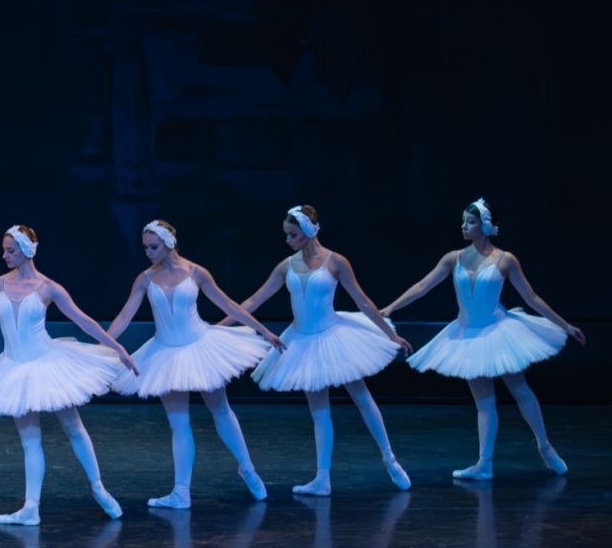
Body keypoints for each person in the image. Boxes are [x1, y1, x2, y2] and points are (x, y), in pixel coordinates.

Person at [0, 225, 137, 522]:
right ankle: (31, 508)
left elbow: (84, 321)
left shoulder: (48, 288)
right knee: (29, 439)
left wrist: (117, 348)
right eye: (4, 249)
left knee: (73, 427)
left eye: (10, 250)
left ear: (27, 249)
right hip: (14, 368)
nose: (4, 255)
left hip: (47, 363)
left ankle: (99, 488)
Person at [380, 199, 585, 479]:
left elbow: (532, 297)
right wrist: (391, 308)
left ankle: (545, 446)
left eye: (471, 222)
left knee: (520, 388)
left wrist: (565, 324)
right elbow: (423, 286)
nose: (464, 226)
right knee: (483, 401)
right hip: (467, 335)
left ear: (486, 226)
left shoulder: (505, 260)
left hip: (497, 332)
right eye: (463, 221)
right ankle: (484, 463)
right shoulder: (454, 258)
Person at [225, 205, 413, 495]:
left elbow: (362, 301)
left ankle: (390, 459)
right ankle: (322, 478)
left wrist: (390, 334)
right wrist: (220, 326)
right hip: (302, 342)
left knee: (362, 397)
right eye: (287, 236)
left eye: (293, 235)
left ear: (309, 231)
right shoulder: (286, 266)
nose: (288, 241)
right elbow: (252, 301)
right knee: (319, 411)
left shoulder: (336, 262)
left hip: (335, 336)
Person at [105, 220, 285, 509]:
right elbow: (125, 316)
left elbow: (229, 305)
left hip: (200, 347)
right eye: (145, 248)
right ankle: (181, 491)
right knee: (178, 423)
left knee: (221, 410)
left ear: (169, 243)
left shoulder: (196, 272)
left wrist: (264, 330)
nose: (148, 253)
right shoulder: (144, 279)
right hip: (164, 353)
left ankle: (247, 467)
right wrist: (106, 345)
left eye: (153, 247)